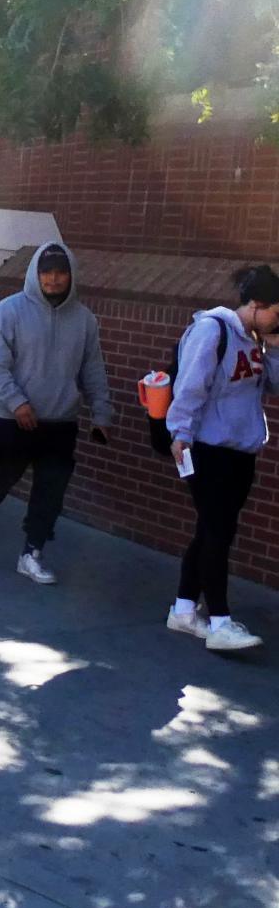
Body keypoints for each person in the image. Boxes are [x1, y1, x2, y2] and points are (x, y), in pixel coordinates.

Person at [0, 242, 113, 583]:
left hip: (60, 421)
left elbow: (93, 369)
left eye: (60, 272)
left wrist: (101, 413)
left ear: (71, 276)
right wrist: (16, 402)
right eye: (46, 272)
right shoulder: (9, 312)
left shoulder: (84, 320)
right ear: (36, 274)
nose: (53, 279)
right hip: (13, 419)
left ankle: (32, 553)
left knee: (51, 491)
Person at [164, 264, 279, 653]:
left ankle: (183, 609)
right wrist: (180, 433)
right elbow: (190, 385)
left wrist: (274, 347)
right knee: (217, 532)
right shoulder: (213, 330)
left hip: (239, 451)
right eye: (277, 314)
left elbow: (275, 386)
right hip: (206, 447)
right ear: (257, 304)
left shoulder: (257, 339)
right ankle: (220, 621)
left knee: (215, 530)